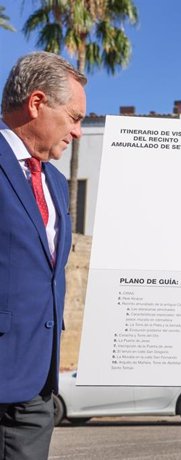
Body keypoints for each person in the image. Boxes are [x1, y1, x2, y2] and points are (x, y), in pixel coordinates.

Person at [0, 52, 86, 459]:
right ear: (37, 103)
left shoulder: (52, 180)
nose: (79, 132)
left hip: (36, 387)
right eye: (74, 117)